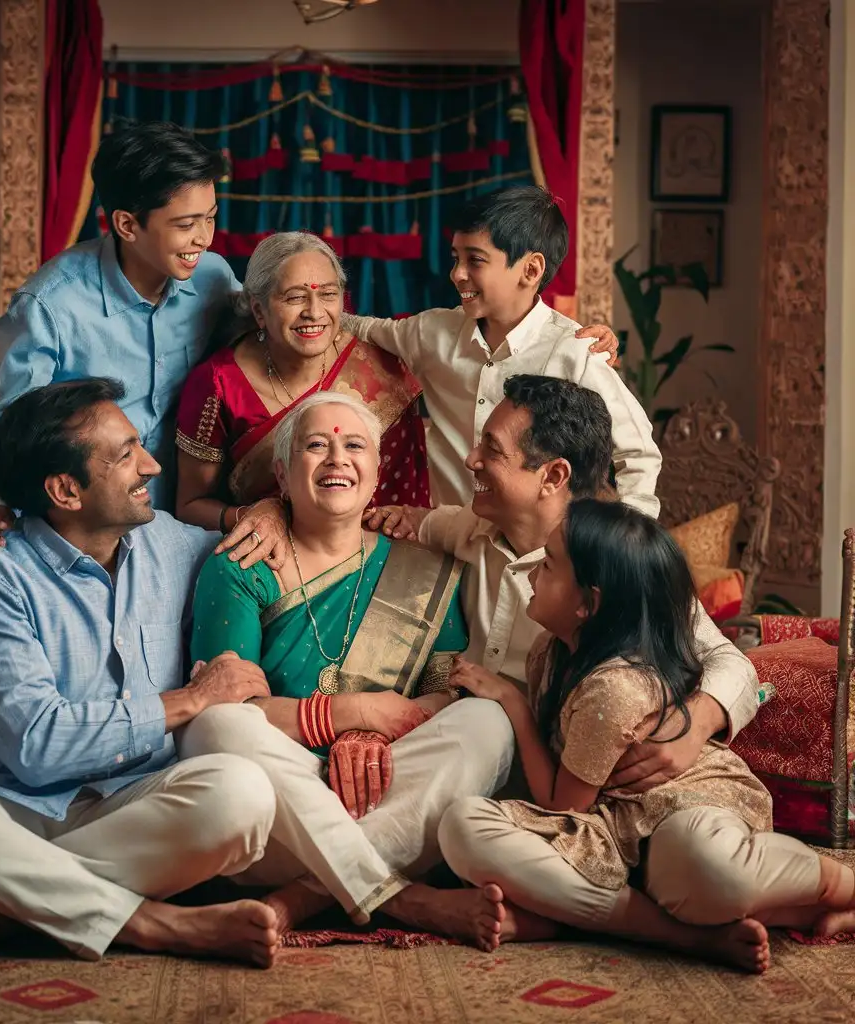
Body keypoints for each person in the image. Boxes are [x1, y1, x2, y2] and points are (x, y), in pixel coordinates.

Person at [0, 379, 285, 969]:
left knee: (242, 795)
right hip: (2, 811)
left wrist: (272, 510)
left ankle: (2, 906)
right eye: (125, 455)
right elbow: (36, 746)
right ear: (66, 490)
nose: (150, 465)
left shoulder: (172, 545)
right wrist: (190, 700)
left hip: (133, 809)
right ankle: (151, 922)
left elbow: (270, 537)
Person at [438, 498, 855, 972]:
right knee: (461, 826)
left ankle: (842, 889)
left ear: (588, 603)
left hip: (688, 808)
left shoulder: (612, 690)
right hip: (620, 834)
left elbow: (563, 809)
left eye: (549, 566)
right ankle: (685, 934)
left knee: (708, 869)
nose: (532, 573)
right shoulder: (548, 653)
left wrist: (511, 703)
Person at [178, 392, 517, 943]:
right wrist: (347, 713)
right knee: (216, 728)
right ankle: (401, 898)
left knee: (488, 721)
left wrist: (376, 734)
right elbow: (230, 704)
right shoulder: (243, 562)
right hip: (277, 803)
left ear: (377, 473)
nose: (338, 457)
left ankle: (309, 895)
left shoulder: (425, 568)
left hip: (384, 791)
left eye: (354, 445)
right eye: (317, 445)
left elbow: (444, 694)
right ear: (283, 478)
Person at [367, 375, 759, 793]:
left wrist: (695, 726)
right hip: (463, 741)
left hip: (566, 781)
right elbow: (405, 520)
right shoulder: (470, 525)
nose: (471, 459)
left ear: (553, 476)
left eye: (492, 449)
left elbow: (733, 663)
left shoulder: (616, 564)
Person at [0, 121, 277, 568]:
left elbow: (264, 349)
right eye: (186, 224)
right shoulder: (49, 306)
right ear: (126, 223)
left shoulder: (214, 278)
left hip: (188, 533)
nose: (204, 238)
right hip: (84, 539)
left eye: (211, 217)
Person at [341, 185, 661, 513]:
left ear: (531, 270)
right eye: (456, 259)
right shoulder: (431, 333)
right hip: (444, 543)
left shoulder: (575, 352)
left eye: (475, 260)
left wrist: (626, 549)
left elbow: (638, 454)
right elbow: (361, 328)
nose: (457, 274)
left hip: (539, 556)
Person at [174, 232, 431, 538]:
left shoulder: (379, 367)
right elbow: (190, 505)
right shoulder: (219, 384)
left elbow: (408, 490)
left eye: (328, 294)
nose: (314, 311)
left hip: (380, 552)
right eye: (295, 297)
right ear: (259, 311)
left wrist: (402, 519)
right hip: (269, 560)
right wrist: (251, 518)